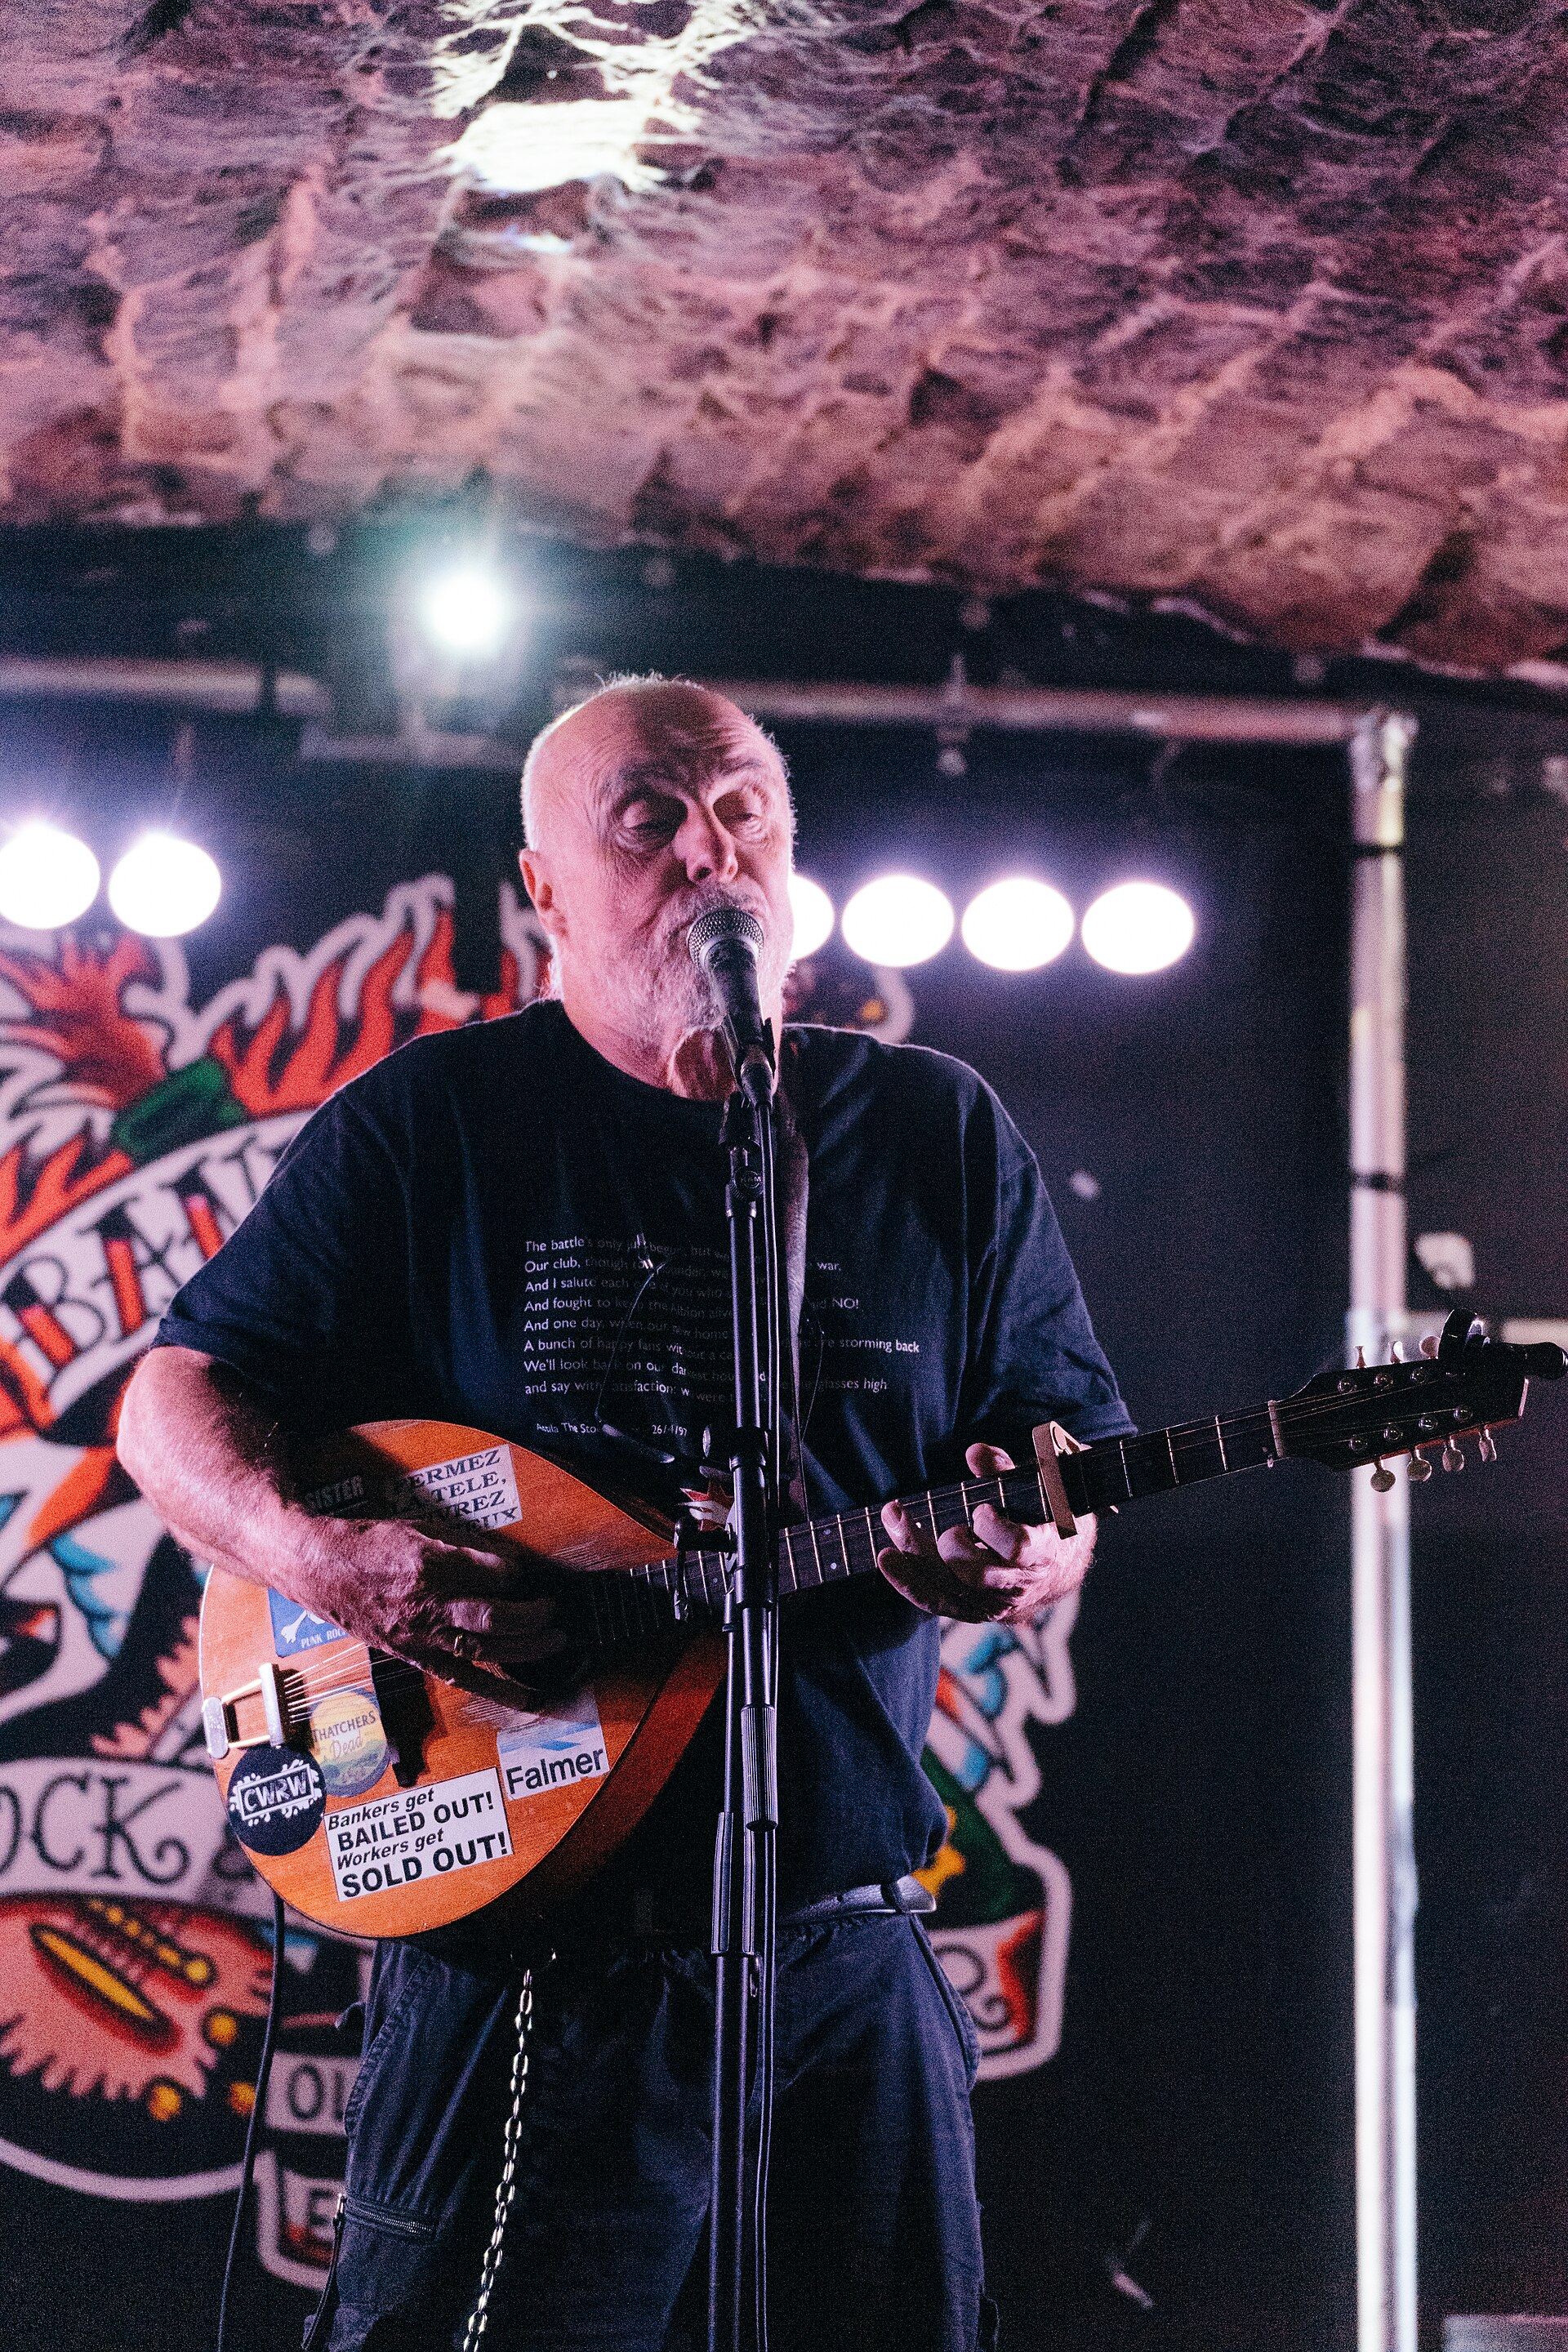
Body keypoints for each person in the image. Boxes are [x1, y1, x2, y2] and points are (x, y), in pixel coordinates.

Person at [117, 679, 1134, 2352]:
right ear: (545, 889)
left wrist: (1034, 1541)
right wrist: (326, 1560)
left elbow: (1057, 1455)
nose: (706, 850)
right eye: (648, 816)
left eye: (740, 809)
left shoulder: (934, 1134)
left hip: (849, 1943)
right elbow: (171, 1408)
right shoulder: (442, 1122)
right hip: (535, 1948)